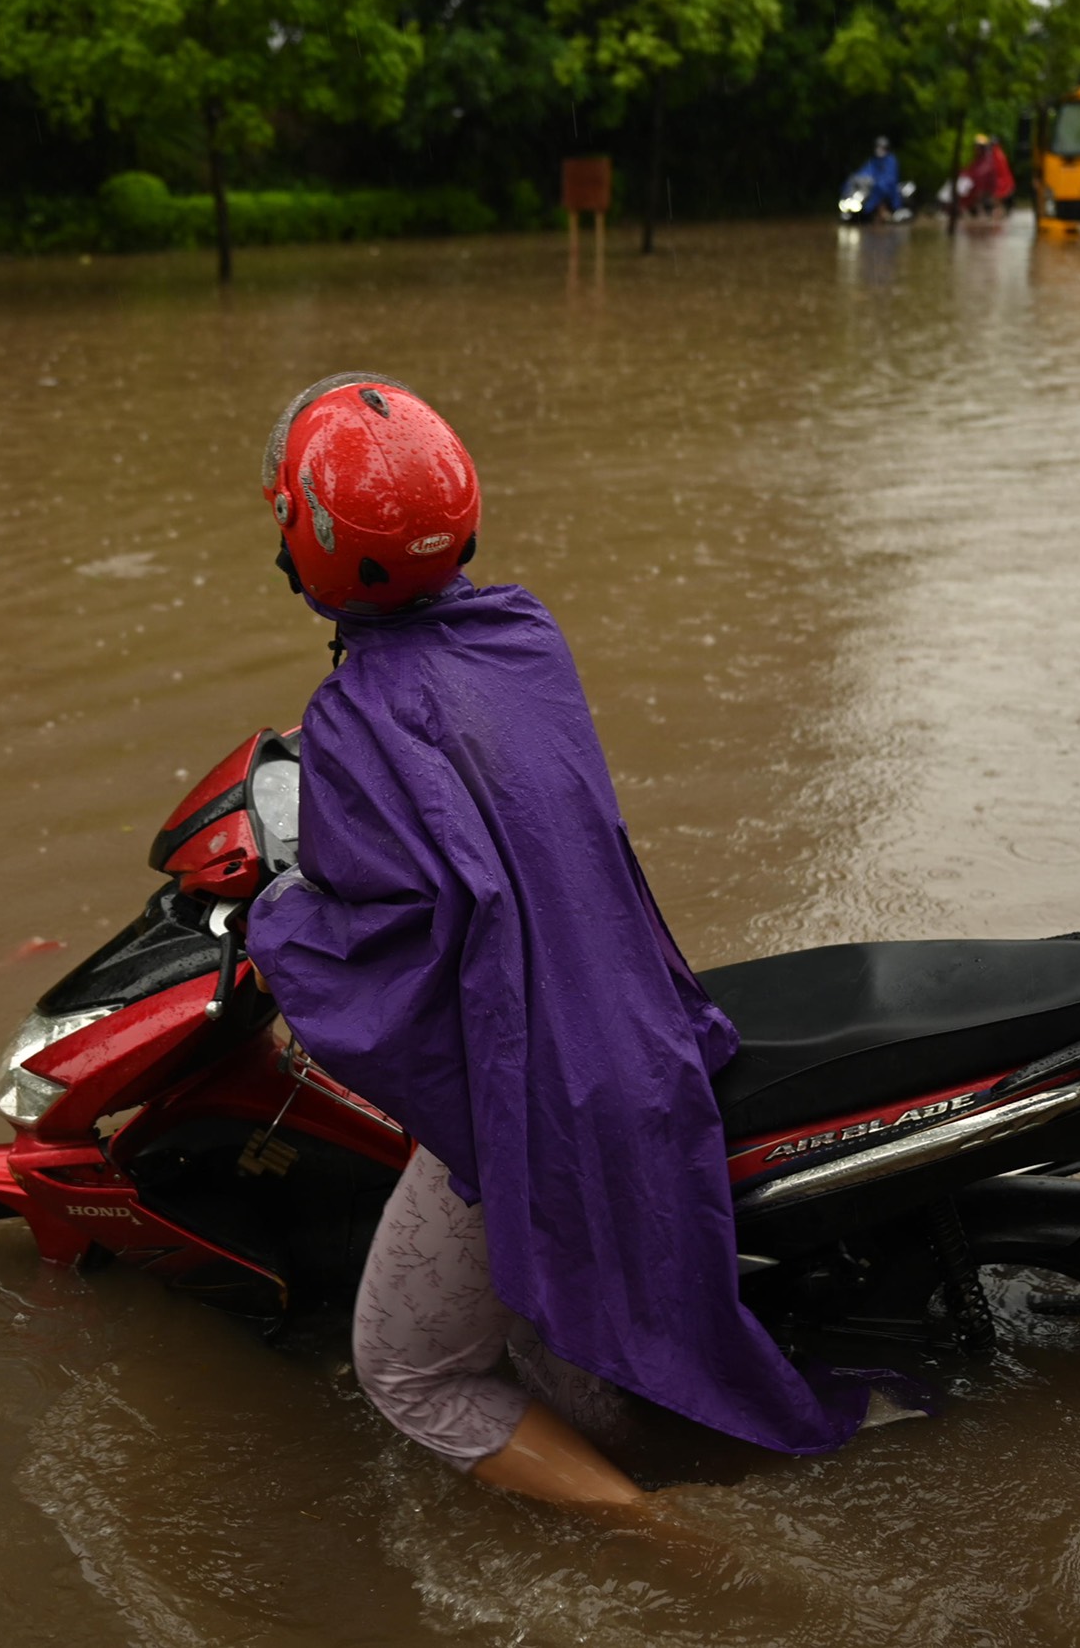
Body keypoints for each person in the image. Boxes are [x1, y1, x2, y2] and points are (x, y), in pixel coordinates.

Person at [244, 374, 921, 1510]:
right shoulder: (520, 633)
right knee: (554, 1331)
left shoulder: (355, 724)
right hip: (643, 1029)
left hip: (538, 1084)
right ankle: (641, 1448)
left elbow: (383, 958)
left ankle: (682, 1549)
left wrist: (277, 919)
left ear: (305, 550)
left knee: (404, 1369)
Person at [958, 133, 1015, 217]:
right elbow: (973, 168)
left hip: (998, 186)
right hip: (992, 184)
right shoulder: (986, 156)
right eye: (976, 146)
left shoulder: (995, 155)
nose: (977, 148)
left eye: (979, 146)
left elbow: (987, 171)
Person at [861, 136, 905, 219]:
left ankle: (889, 211)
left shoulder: (891, 160)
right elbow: (865, 171)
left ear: (886, 148)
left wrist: (879, 182)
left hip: (889, 189)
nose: (879, 149)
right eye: (878, 147)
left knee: (879, 189)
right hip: (873, 188)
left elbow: (891, 177)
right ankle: (868, 213)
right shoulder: (873, 161)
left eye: (882, 147)